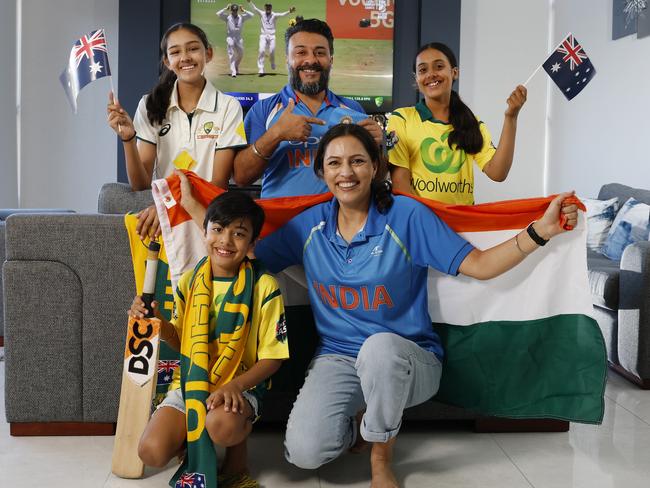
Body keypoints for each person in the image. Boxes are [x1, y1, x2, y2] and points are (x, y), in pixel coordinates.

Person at [250, 123, 577, 487]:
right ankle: (361, 419)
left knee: (379, 348)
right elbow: (244, 258)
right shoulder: (308, 226)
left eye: (357, 161)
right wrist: (199, 214)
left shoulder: (406, 216)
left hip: (407, 360)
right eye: (335, 163)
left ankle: (380, 457)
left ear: (375, 167)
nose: (346, 173)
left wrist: (540, 232)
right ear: (321, 172)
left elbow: (481, 266)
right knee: (305, 454)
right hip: (339, 358)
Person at [131, 190, 288, 488]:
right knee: (150, 452)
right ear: (204, 232)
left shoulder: (264, 286)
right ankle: (191, 442)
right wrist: (157, 322)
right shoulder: (191, 281)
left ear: (253, 243)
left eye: (238, 234)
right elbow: (181, 341)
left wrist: (235, 386)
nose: (225, 242)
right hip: (191, 381)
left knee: (221, 425)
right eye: (217, 230)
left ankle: (236, 458)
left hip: (241, 384)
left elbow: (274, 357)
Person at [107, 22, 246, 239]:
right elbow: (140, 184)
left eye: (193, 49)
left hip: (208, 219)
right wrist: (128, 139)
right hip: (166, 224)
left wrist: (168, 208)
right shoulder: (149, 104)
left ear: (207, 53)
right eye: (175, 52)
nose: (185, 57)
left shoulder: (228, 106)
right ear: (167, 62)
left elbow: (218, 184)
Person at [232, 18, 384, 198]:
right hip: (283, 222)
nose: (311, 60)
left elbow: (376, 178)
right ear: (287, 59)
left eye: (320, 52)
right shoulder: (264, 110)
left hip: (338, 223)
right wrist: (276, 134)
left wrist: (378, 148)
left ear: (331, 59)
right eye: (301, 52)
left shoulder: (352, 109)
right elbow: (241, 177)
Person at [387, 42, 528, 205]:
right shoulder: (402, 119)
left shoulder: (472, 123)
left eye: (439, 66)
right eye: (423, 70)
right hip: (421, 224)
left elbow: (498, 173)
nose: (431, 74)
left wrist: (511, 117)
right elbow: (400, 186)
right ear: (416, 79)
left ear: (454, 73)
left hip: (464, 226)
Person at [247, 1, 296, 76]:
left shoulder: (274, 15)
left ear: (271, 8)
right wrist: (249, 2)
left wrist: (289, 11)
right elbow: (254, 8)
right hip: (263, 35)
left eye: (269, 7)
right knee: (261, 50)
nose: (268, 8)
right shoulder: (262, 13)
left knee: (272, 51)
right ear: (265, 7)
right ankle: (261, 69)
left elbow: (282, 15)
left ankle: (272, 62)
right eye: (267, 7)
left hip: (272, 36)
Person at [217, 4, 254, 77]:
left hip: (239, 38)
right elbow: (218, 14)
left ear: (237, 10)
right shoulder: (227, 17)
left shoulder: (241, 17)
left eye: (236, 10)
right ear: (231, 10)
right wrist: (225, 8)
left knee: (241, 54)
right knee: (232, 54)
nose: (234, 12)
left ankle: (236, 66)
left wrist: (244, 10)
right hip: (230, 37)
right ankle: (233, 71)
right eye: (233, 10)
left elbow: (251, 15)